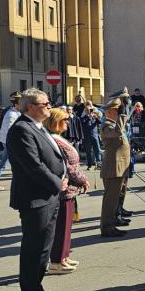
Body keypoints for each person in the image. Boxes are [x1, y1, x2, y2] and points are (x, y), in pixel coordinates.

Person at [6, 88, 68, 291]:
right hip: (35, 197)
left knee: (44, 247)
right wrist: (56, 182)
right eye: (44, 103)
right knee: (34, 248)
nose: (49, 107)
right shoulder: (22, 129)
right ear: (30, 106)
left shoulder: (37, 127)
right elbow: (33, 166)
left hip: (48, 196)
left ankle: (37, 287)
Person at [44, 108, 90, 274]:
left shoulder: (58, 138)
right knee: (61, 226)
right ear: (55, 122)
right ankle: (56, 261)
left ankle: (63, 256)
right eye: (64, 120)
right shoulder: (53, 140)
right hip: (63, 189)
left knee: (67, 225)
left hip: (70, 188)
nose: (68, 123)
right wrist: (83, 180)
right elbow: (69, 167)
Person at [100, 98, 130, 237]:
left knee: (115, 198)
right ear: (110, 111)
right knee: (110, 200)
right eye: (117, 110)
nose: (119, 113)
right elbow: (117, 133)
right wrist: (122, 115)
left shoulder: (114, 123)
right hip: (113, 168)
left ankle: (112, 222)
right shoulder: (107, 125)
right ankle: (107, 227)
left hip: (119, 167)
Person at [0, 91, 22, 190]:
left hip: (8, 141)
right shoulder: (12, 114)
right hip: (10, 142)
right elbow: (11, 131)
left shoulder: (14, 112)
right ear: (17, 104)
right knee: (7, 162)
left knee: (10, 161)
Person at [81, 104, 103, 170]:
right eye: (87, 110)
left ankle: (99, 163)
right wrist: (88, 118)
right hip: (87, 137)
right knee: (88, 151)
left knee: (97, 150)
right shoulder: (83, 118)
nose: (89, 111)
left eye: (90, 110)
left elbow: (100, 122)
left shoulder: (94, 117)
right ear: (85, 111)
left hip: (95, 136)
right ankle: (89, 165)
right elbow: (83, 123)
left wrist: (96, 117)